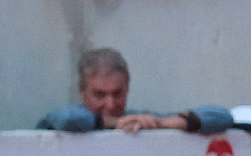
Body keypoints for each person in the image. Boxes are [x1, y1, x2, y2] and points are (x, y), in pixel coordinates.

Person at [37, 48, 232, 135]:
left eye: (117, 93)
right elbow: (69, 119)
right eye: (99, 95)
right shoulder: (61, 119)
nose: (111, 104)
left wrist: (163, 123)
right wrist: (117, 123)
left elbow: (223, 117)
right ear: (82, 92)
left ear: (127, 88)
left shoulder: (140, 120)